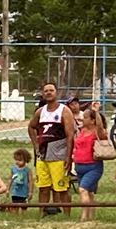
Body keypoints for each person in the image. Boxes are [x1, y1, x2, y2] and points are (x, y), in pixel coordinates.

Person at [27, 82, 75, 216]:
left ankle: (66, 215)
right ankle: (42, 213)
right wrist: (36, 144)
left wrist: (68, 156)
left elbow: (70, 135)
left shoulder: (64, 111)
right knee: (43, 188)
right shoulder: (40, 111)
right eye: (46, 91)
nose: (48, 93)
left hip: (58, 155)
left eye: (51, 90)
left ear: (56, 92)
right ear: (43, 93)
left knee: (61, 188)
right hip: (42, 155)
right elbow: (31, 127)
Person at [72, 107, 108, 222]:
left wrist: (96, 112)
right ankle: (91, 217)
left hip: (93, 166)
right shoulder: (82, 131)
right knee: (89, 192)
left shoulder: (97, 133)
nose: (83, 119)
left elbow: (100, 127)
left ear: (93, 120)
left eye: (86, 117)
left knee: (82, 189)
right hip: (79, 165)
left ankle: (84, 216)